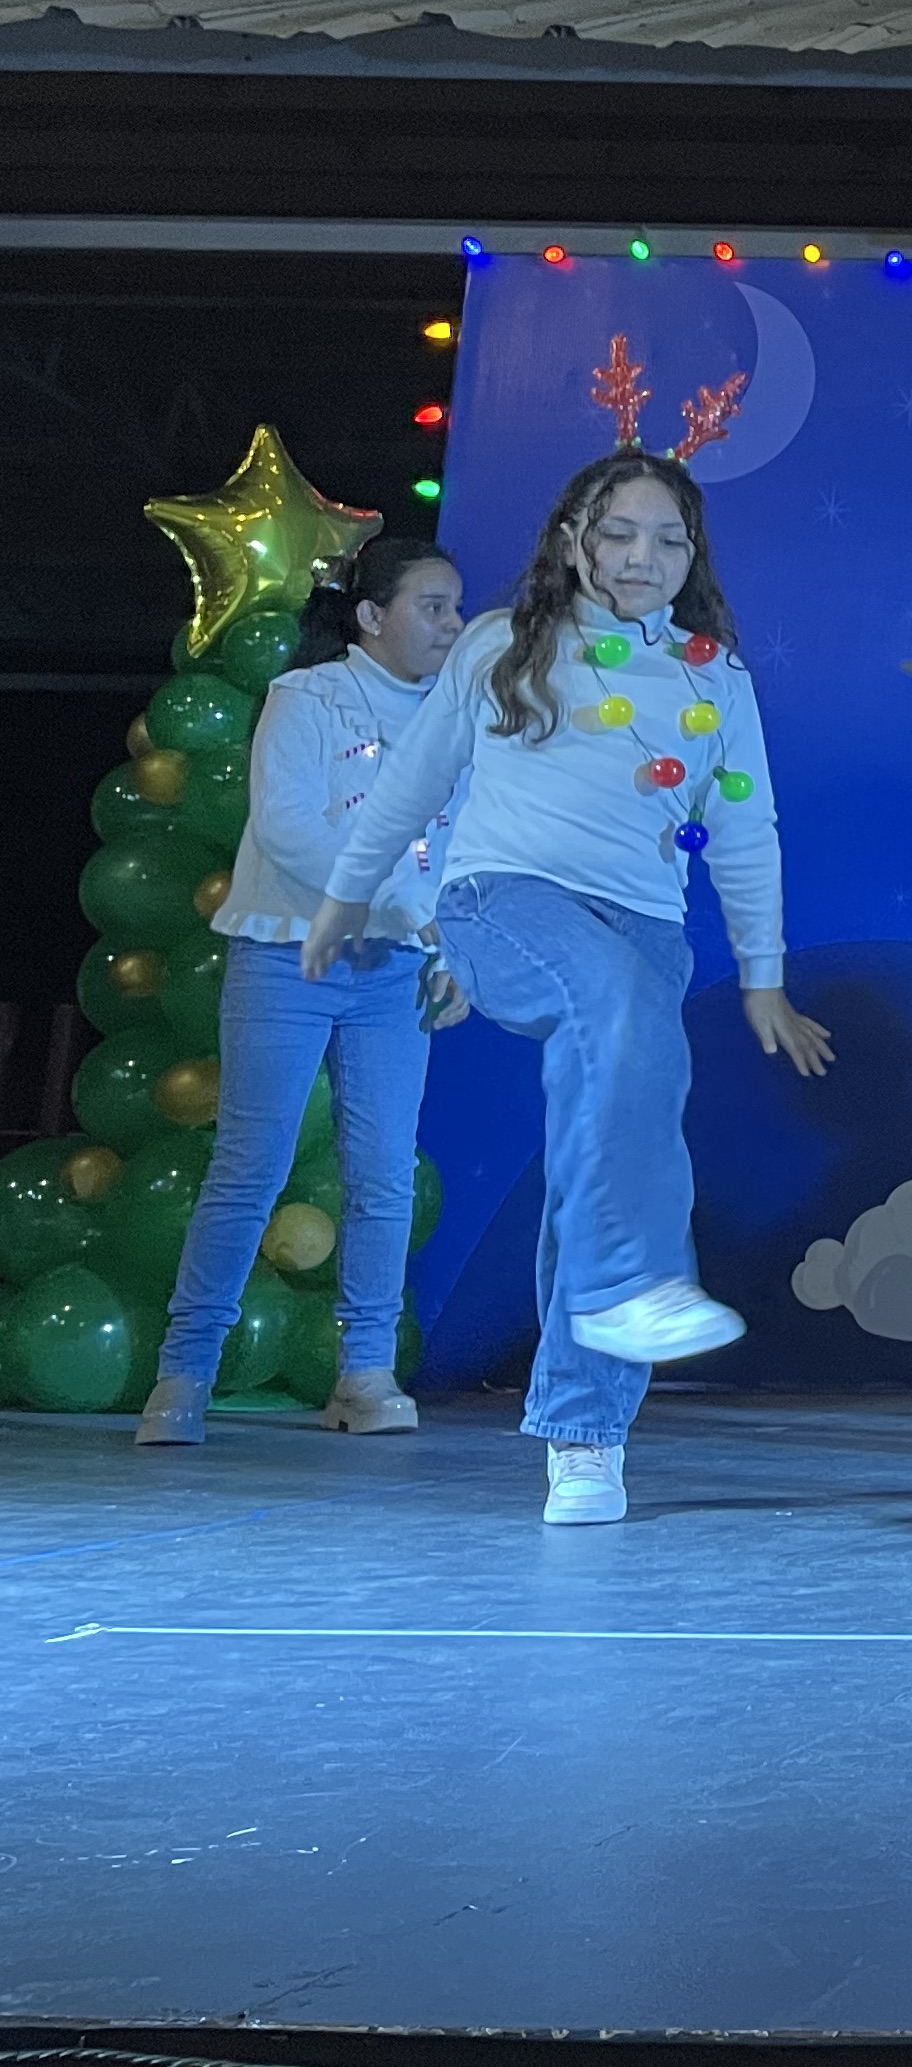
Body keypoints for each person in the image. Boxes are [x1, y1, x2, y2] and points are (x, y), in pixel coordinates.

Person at [307, 448, 836, 1525]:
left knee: (605, 1146)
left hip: (646, 931)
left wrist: (764, 976)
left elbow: (747, 834)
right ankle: (635, 1278)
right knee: (614, 1011)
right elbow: (414, 781)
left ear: (693, 556)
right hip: (502, 902)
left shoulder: (713, 677)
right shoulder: (503, 644)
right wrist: (343, 898)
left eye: (669, 539)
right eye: (619, 532)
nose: (643, 556)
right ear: (572, 539)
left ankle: (584, 1436)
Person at [137, 536, 470, 1447]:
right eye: (432, 606)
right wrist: (397, 900)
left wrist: (454, 946)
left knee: (384, 1174)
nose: (451, 624)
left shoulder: (456, 722)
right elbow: (287, 828)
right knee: (251, 1165)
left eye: (455, 607)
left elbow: (462, 846)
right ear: (370, 615)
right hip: (290, 956)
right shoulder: (307, 697)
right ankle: (184, 1373)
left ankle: (365, 1372)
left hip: (394, 971)